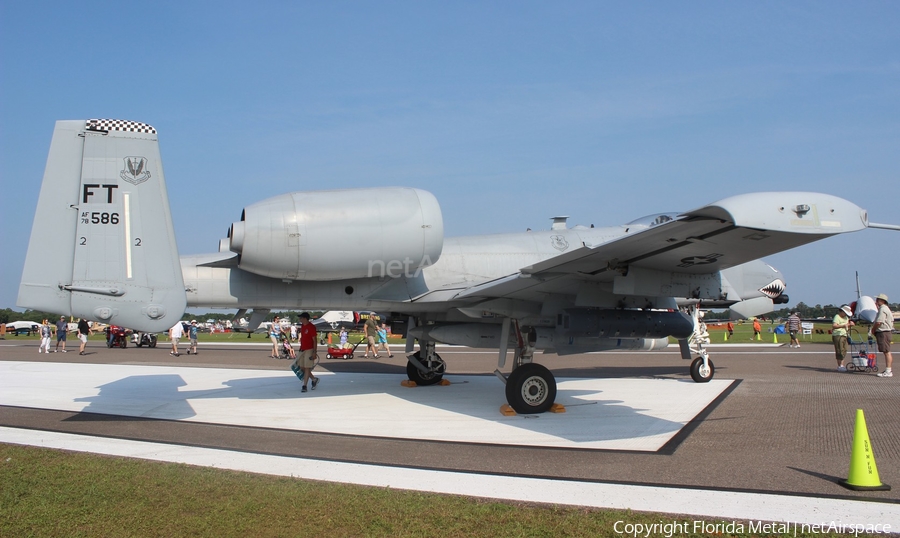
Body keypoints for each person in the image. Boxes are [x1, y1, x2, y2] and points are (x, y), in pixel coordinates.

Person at [292, 312, 319, 392]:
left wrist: (314, 352)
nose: (300, 319)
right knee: (301, 367)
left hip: (309, 349)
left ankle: (305, 385)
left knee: (307, 367)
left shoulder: (311, 327)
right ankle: (314, 379)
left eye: (301, 318)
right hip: (302, 349)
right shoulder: (303, 326)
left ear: (305, 318)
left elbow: (315, 340)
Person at [872, 294, 894, 378]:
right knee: (886, 351)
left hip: (883, 332)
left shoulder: (883, 309)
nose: (876, 301)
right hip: (886, 332)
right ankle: (888, 370)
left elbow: (879, 322)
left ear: (882, 301)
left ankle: (888, 370)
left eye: (878, 300)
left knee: (886, 351)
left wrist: (873, 329)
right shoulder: (886, 309)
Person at [832, 305, 854, 372]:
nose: (845, 315)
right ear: (842, 311)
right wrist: (843, 325)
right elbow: (834, 326)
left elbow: (847, 326)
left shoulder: (846, 318)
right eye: (845, 313)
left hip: (844, 334)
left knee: (844, 350)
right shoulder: (837, 317)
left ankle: (842, 365)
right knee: (839, 350)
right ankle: (840, 365)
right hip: (838, 335)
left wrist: (850, 325)